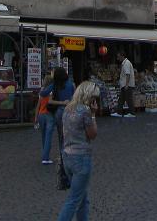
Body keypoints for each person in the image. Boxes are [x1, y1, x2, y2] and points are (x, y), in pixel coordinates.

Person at [57, 81, 99, 221]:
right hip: (81, 157)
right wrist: (93, 114)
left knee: (82, 199)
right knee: (74, 199)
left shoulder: (68, 108)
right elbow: (92, 134)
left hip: (67, 156)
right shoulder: (85, 111)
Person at [40, 67, 75, 164]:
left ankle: (61, 155)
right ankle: (66, 155)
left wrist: (43, 87)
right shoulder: (70, 84)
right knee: (67, 134)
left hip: (59, 111)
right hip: (69, 111)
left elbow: (43, 93)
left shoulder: (55, 84)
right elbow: (74, 97)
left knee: (60, 134)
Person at [111, 52, 136, 119]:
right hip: (124, 85)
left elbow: (128, 74)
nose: (117, 58)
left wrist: (127, 84)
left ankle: (132, 113)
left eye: (118, 56)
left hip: (127, 85)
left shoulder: (126, 63)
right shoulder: (124, 63)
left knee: (129, 99)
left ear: (122, 56)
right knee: (121, 99)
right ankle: (119, 112)